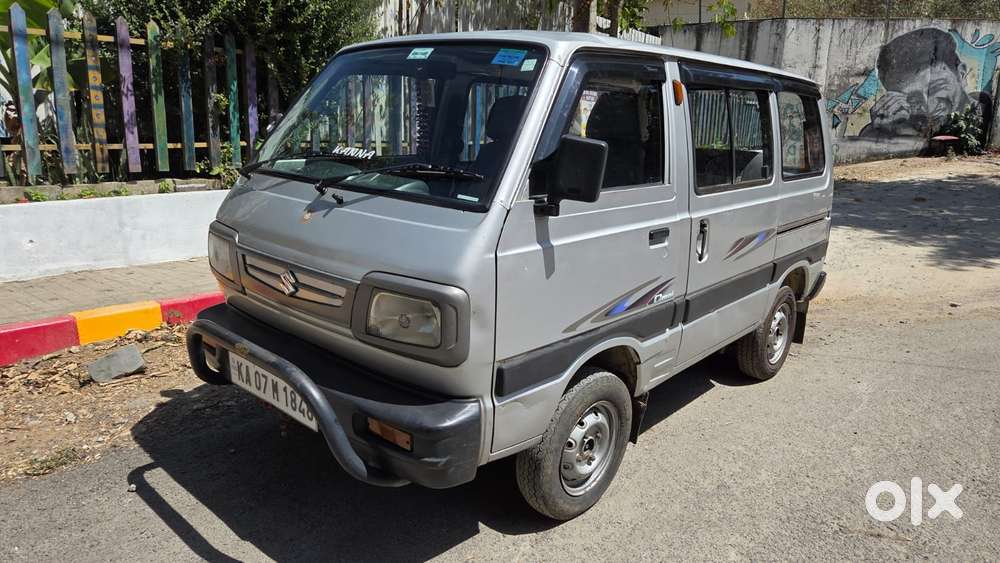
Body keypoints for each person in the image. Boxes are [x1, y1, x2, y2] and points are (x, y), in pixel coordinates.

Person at [861, 28, 978, 138]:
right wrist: (881, 133)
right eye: (913, 99)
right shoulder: (904, 123)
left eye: (936, 88)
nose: (928, 105)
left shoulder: (991, 120)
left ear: (961, 74)